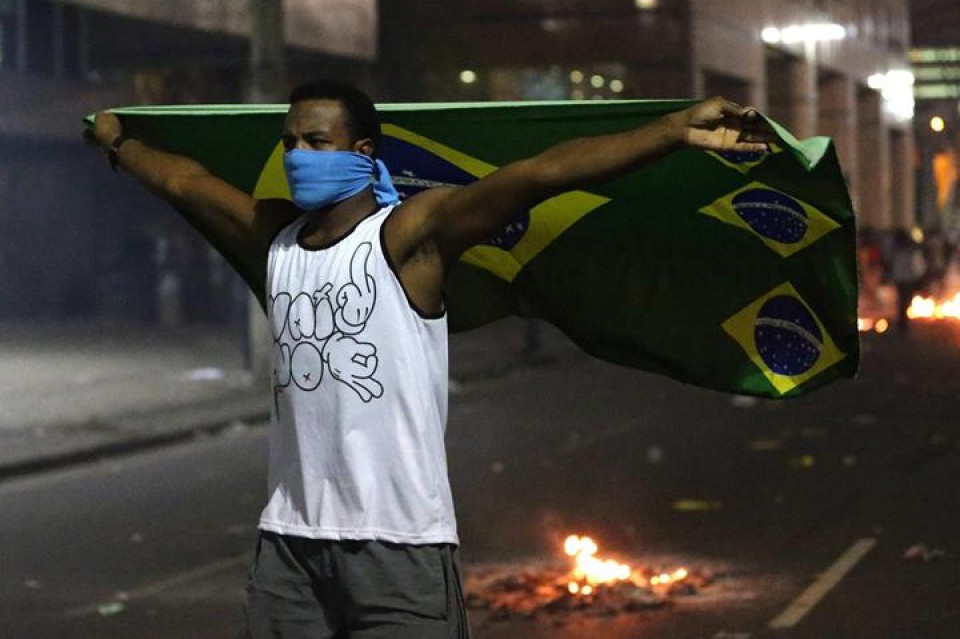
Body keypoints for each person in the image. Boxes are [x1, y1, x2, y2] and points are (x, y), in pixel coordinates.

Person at [88, 80, 771, 639]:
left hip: (400, 549)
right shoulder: (277, 239)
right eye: (289, 142)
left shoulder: (407, 237)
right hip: (290, 549)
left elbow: (536, 175)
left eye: (316, 143)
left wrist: (675, 128)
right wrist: (116, 138)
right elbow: (186, 182)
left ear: (360, 152)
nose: (298, 155)